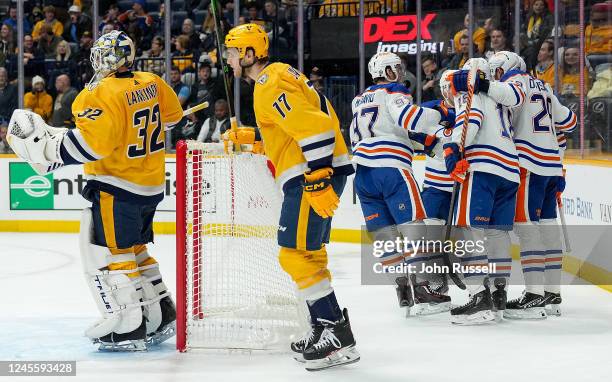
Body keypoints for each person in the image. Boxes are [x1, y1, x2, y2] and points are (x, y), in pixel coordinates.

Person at [6, 30, 183, 351]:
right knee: (136, 249)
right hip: (152, 182)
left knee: (113, 254)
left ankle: (130, 325)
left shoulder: (97, 93)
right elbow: (172, 119)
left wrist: (51, 150)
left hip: (116, 184)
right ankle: (161, 311)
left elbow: (92, 145)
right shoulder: (152, 81)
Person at [224, 23, 358, 370]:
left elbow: (314, 127)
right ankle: (324, 328)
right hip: (313, 169)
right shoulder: (277, 79)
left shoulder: (269, 83)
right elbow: (291, 127)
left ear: (250, 54)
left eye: (234, 52)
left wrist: (317, 175)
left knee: (295, 255)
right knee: (307, 255)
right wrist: (253, 137)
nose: (229, 59)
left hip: (308, 174)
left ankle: (335, 334)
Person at [453, 51, 576, 318]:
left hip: (527, 163)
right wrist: (561, 166)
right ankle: (551, 291)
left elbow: (501, 102)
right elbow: (568, 122)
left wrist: (479, 84)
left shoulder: (509, 85)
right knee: (546, 226)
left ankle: (534, 294)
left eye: (496, 71)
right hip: (551, 165)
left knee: (525, 228)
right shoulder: (543, 85)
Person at [350, 52, 451, 316]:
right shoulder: (394, 91)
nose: (401, 73)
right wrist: (438, 114)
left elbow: (396, 130)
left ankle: (402, 287)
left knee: (383, 234)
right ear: (389, 71)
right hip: (391, 169)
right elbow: (408, 119)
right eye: (397, 68)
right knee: (414, 225)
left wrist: (432, 146)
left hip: (362, 174)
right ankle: (422, 287)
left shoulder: (358, 100)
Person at [441, 58, 520, 325]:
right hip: (510, 170)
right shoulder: (500, 95)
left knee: (468, 229)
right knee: (498, 233)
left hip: (483, 168)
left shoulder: (470, 94)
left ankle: (478, 298)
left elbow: (470, 121)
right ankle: (499, 293)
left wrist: (452, 152)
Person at [521, 0, 554, 69]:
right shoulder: (529, 17)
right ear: (533, 6)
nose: (538, 7)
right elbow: (523, 31)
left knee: (531, 51)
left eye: (541, 5)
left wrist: (534, 42)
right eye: (536, 5)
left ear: (545, 7)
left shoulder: (549, 17)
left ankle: (530, 71)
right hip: (528, 43)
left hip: (541, 42)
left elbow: (547, 33)